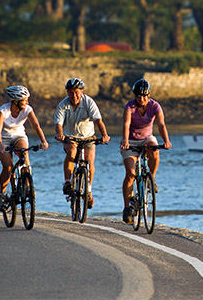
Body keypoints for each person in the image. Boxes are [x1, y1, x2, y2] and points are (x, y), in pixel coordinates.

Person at [53, 77, 110, 209]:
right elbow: (58, 123)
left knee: (89, 160)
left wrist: (104, 135)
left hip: (88, 137)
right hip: (70, 137)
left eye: (77, 92)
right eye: (71, 92)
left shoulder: (89, 102)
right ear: (67, 93)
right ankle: (67, 182)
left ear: (82, 92)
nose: (74, 95)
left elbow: (98, 121)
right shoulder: (63, 105)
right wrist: (59, 134)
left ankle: (89, 190)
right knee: (72, 152)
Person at [120, 78, 171, 223]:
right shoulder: (129, 106)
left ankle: (151, 178)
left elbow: (161, 125)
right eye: (138, 96)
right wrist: (124, 141)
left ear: (148, 95)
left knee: (154, 149)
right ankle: (127, 208)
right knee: (130, 173)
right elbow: (126, 124)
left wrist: (166, 141)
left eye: (144, 96)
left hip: (147, 138)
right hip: (130, 140)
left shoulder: (155, 106)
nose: (141, 99)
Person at [0, 85, 49, 210]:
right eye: (24, 100)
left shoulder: (27, 109)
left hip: (19, 136)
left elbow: (36, 125)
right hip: (3, 139)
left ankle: (27, 186)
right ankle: (1, 194)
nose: (27, 102)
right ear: (15, 101)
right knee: (8, 167)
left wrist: (43, 141)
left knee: (25, 158)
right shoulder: (4, 110)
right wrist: (0, 144)